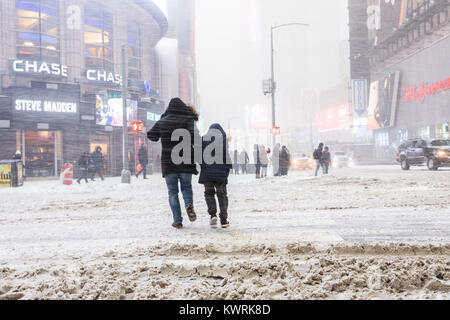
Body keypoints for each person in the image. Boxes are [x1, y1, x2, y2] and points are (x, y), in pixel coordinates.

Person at [147, 98, 201, 229]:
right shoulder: (188, 120)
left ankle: (177, 220)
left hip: (169, 163)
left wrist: (162, 123)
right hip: (185, 162)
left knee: (172, 192)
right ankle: (188, 204)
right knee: (186, 188)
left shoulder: (163, 121)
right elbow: (197, 139)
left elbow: (151, 136)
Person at [199, 123, 233, 228]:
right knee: (222, 195)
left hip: (207, 173)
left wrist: (204, 167)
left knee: (209, 193)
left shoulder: (203, 139)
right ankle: (223, 219)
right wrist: (227, 169)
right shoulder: (223, 140)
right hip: (221, 173)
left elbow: (198, 156)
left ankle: (212, 214)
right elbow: (225, 156)